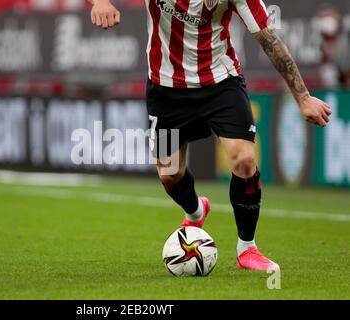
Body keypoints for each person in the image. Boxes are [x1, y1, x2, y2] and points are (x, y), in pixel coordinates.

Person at [88, 0, 332, 271]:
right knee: (170, 173)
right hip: (166, 91)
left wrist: (303, 97)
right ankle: (195, 211)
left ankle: (247, 248)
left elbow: (268, 39)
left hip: (221, 85)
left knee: (244, 159)